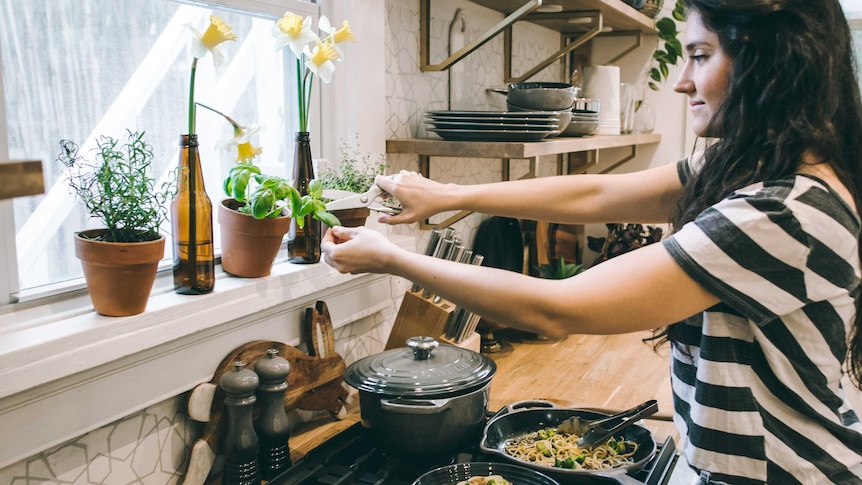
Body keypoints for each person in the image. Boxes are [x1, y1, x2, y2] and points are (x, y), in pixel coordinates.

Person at [322, 0, 862, 482]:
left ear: (769, 61)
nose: (681, 81)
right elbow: (599, 195)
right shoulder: (757, 168)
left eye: (699, 54)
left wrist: (394, 259)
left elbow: (557, 308)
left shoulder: (778, 211)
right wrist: (451, 194)